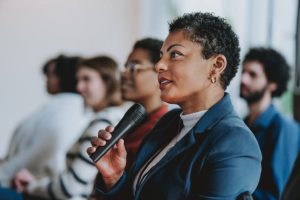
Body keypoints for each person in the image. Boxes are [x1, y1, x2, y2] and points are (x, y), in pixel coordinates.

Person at [88, 12, 262, 200]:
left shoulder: (235, 143)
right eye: (162, 56)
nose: (159, 65)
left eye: (175, 55)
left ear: (216, 65)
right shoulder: (169, 122)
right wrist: (114, 178)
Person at [13, 56, 130, 199]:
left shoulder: (104, 122)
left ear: (107, 82)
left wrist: (31, 186)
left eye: (86, 79)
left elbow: (72, 187)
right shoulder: (114, 116)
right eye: (78, 80)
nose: (79, 87)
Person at [0, 55, 89, 188]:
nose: (46, 80)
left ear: (64, 76)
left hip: (33, 185)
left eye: (50, 75)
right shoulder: (58, 106)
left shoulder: (68, 111)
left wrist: (3, 173)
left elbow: (40, 152)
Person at [240, 47, 300, 200]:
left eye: (253, 75)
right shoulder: (241, 124)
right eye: (243, 72)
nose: (243, 79)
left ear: (272, 84)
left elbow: (278, 193)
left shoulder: (284, 129)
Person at [121, 38, 168, 170]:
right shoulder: (133, 121)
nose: (124, 74)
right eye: (126, 67)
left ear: (160, 73)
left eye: (134, 67)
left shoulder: (161, 130)